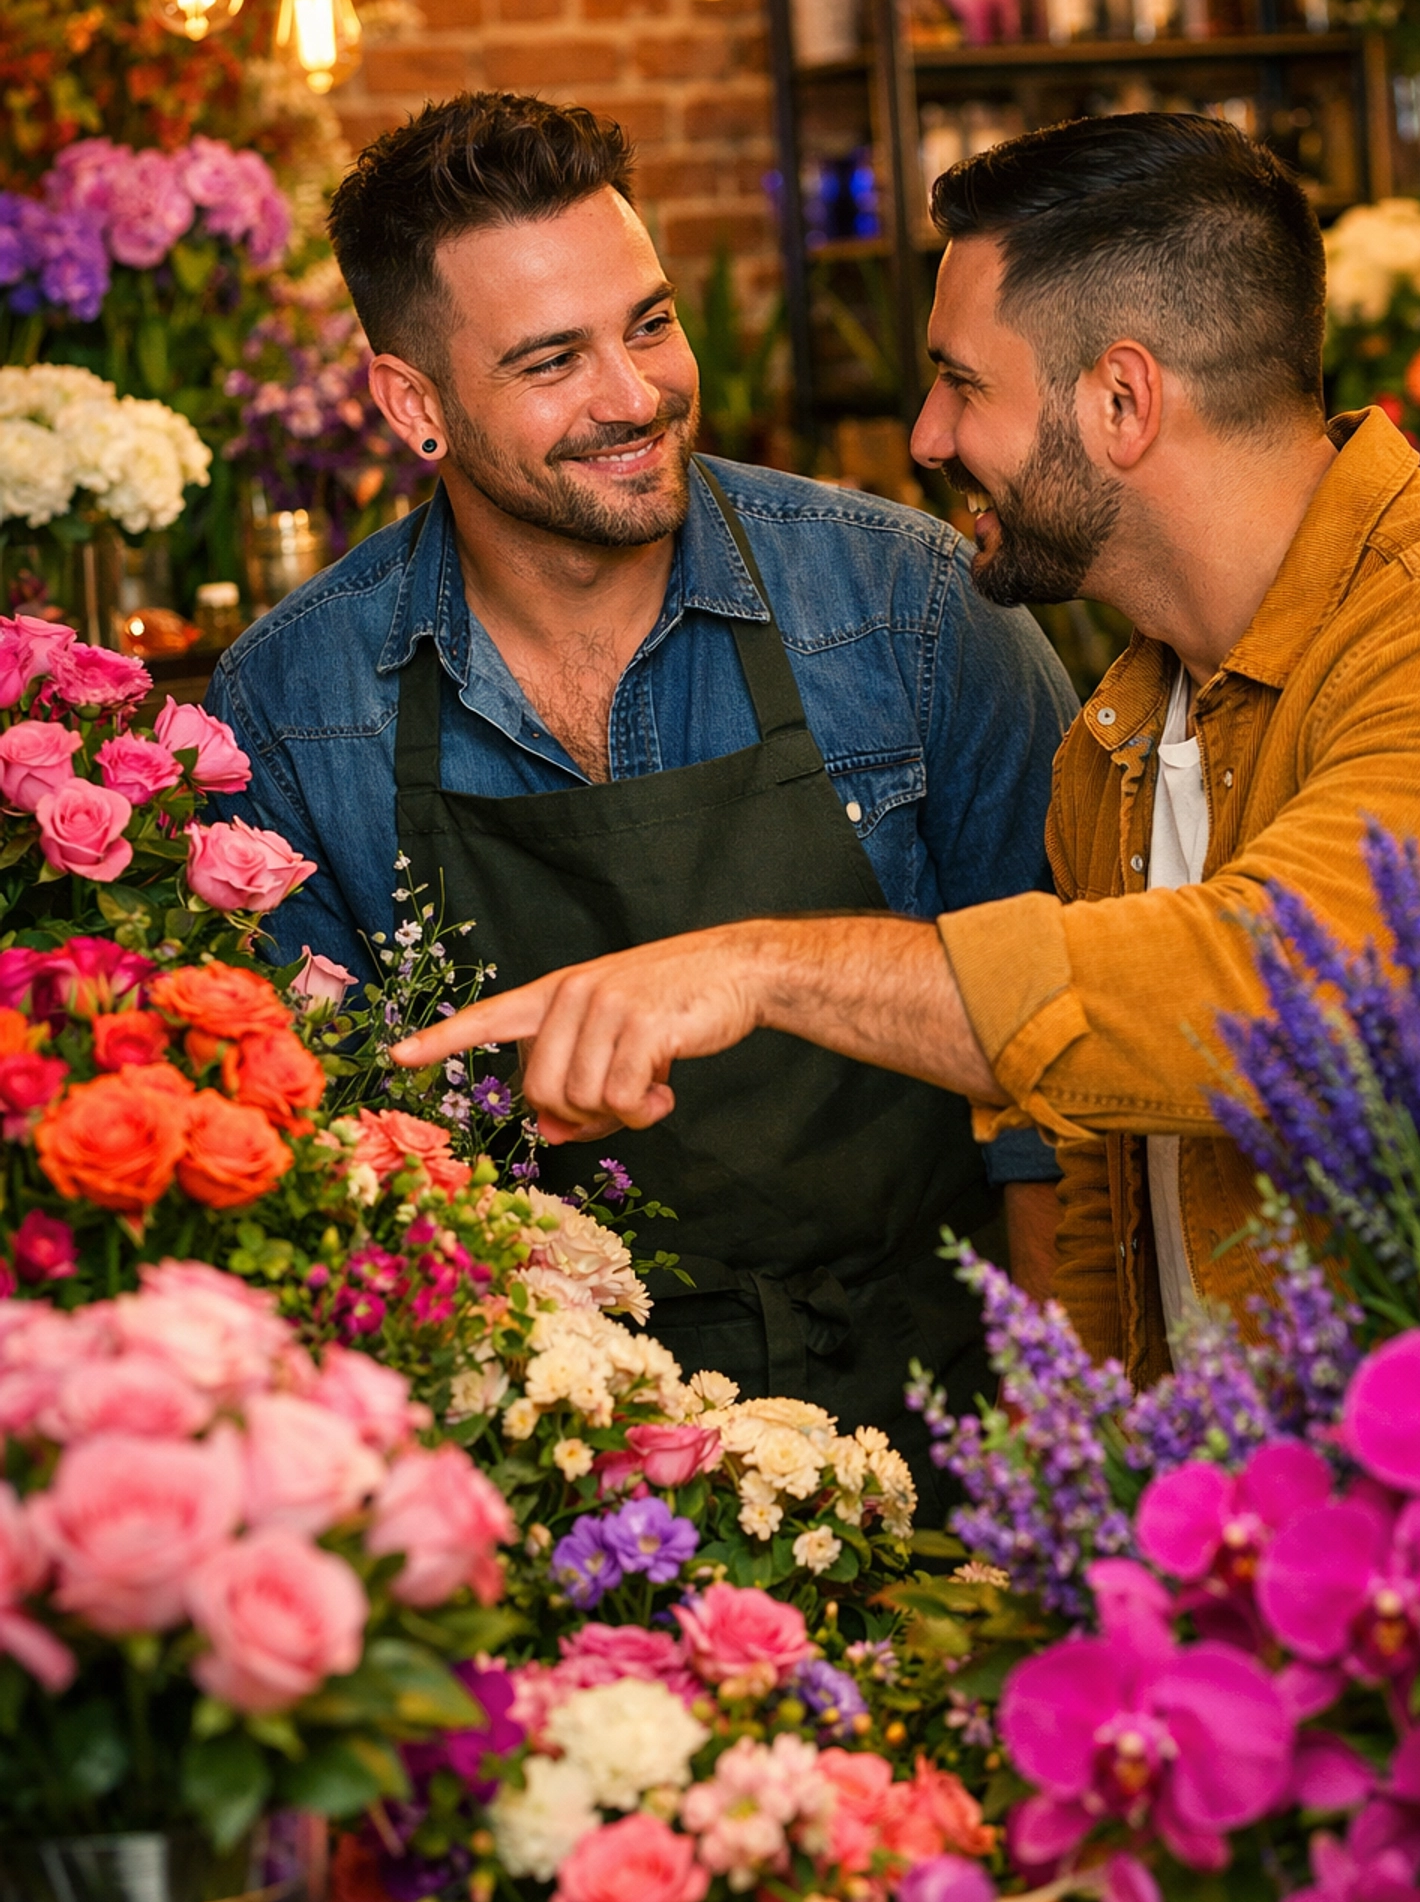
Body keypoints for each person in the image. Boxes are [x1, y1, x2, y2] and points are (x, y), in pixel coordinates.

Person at [394, 110, 1420, 1388]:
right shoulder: (1123, 725)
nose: (928, 438)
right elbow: (1096, 1170)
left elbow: (1282, 985)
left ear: (1121, 399)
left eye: (963, 383)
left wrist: (760, 966)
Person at [204, 91, 1075, 1507]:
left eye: (650, 323)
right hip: (552, 1463)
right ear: (412, 402)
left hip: (937, 1398)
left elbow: (1067, 1043)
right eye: (554, 360)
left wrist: (1059, 1438)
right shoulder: (296, 709)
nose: (637, 395)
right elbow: (318, 1169)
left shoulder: (903, 605)